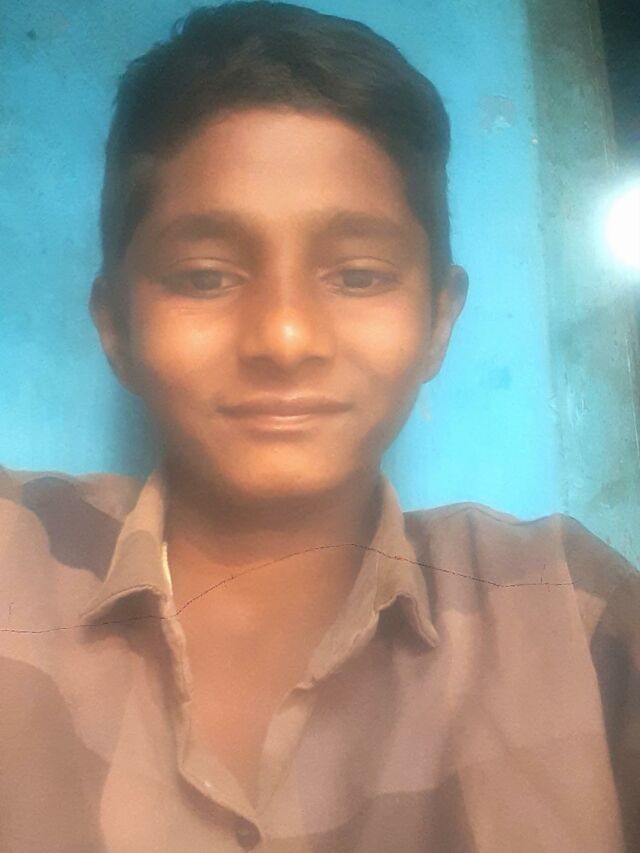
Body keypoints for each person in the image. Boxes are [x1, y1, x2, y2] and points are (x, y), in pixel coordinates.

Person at [1, 2, 638, 850]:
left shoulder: (574, 616)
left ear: (439, 321)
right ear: (115, 324)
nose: (285, 336)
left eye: (359, 275)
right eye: (205, 275)